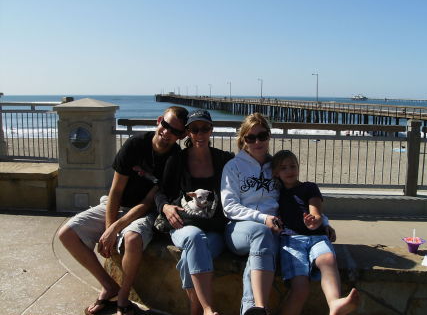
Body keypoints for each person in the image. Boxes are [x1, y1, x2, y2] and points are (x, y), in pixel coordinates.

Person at [58, 106, 189, 315]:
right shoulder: (135, 145)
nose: (167, 133)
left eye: (175, 131)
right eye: (165, 125)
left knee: (132, 239)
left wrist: (116, 228)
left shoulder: (175, 159)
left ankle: (122, 298)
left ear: (181, 136)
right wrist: (109, 228)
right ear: (158, 121)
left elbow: (147, 203)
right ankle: (109, 285)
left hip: (144, 212)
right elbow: (115, 191)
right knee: (67, 234)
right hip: (117, 204)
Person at [155, 109, 234, 315]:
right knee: (195, 237)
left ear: (211, 130)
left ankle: (194, 310)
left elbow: (250, 164)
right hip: (184, 225)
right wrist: (165, 206)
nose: (200, 134)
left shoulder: (224, 159)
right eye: (194, 129)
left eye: (205, 129)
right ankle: (208, 308)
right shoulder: (177, 160)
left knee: (190, 257)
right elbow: (161, 192)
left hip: (215, 229)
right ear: (188, 132)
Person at [271, 150, 359, 315]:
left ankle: (334, 303)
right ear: (276, 173)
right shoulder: (276, 193)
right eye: (283, 168)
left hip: (316, 236)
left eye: (293, 166)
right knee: (301, 288)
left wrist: (315, 222)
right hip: (291, 240)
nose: (289, 171)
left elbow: (317, 213)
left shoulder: (309, 187)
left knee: (328, 259)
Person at [221, 112, 281, 315]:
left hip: (272, 230)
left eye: (262, 136)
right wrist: (263, 218)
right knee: (260, 233)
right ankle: (262, 307)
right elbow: (229, 207)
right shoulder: (233, 166)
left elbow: (295, 197)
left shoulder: (276, 167)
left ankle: (250, 309)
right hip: (238, 229)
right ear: (243, 140)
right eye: (251, 137)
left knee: (257, 257)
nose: (257, 142)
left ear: (269, 136)